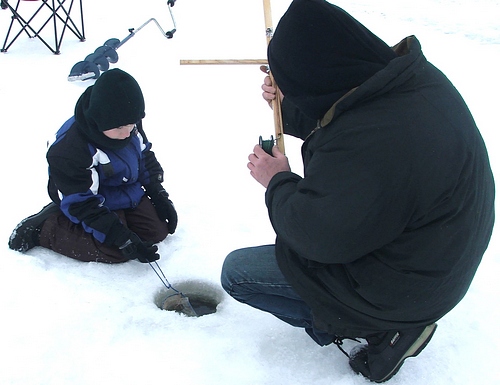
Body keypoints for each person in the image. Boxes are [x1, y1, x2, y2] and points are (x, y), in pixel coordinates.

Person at [220, 0, 495, 383]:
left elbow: (317, 237)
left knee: (237, 274)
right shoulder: (408, 82)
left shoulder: (375, 143)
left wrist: (277, 180)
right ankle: (390, 319)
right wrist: (293, 102)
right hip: (436, 259)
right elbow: (346, 125)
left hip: (407, 286)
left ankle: (379, 330)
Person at [9, 68, 177, 264]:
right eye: (120, 128)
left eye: (131, 125)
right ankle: (45, 228)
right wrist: (119, 234)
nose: (127, 132)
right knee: (116, 250)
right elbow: (83, 203)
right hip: (85, 196)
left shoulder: (126, 121)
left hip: (122, 188)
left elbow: (144, 156)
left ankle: (116, 218)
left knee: (155, 233)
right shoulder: (70, 149)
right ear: (100, 120)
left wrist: (158, 194)